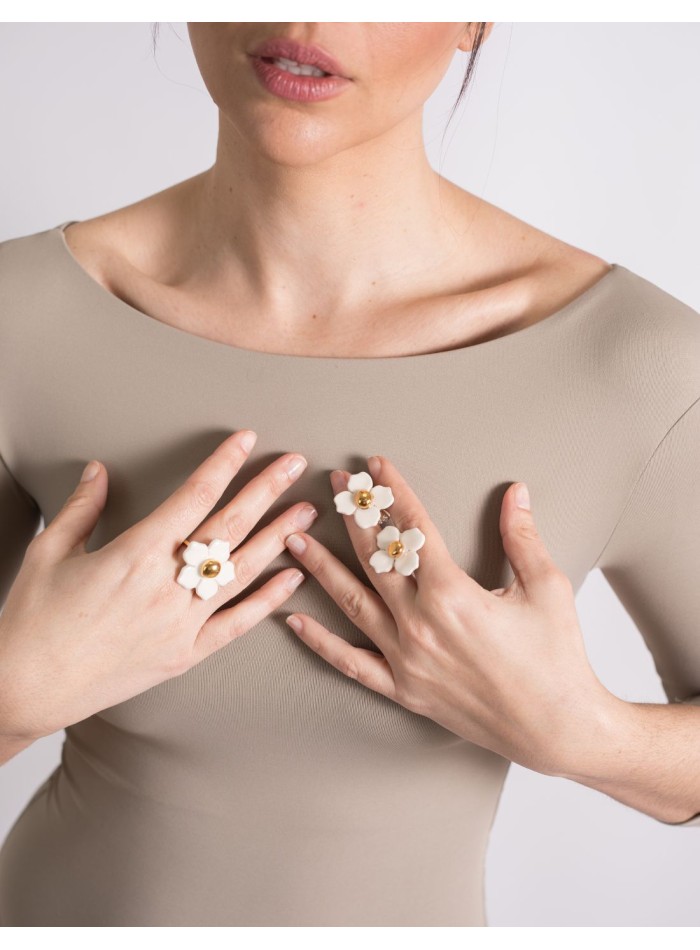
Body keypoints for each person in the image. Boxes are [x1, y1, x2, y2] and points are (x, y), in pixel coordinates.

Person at [0, 22, 699, 927]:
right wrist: (16, 693)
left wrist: (582, 734)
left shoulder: (638, 368)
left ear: (474, 18)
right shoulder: (20, 318)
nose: (305, 20)